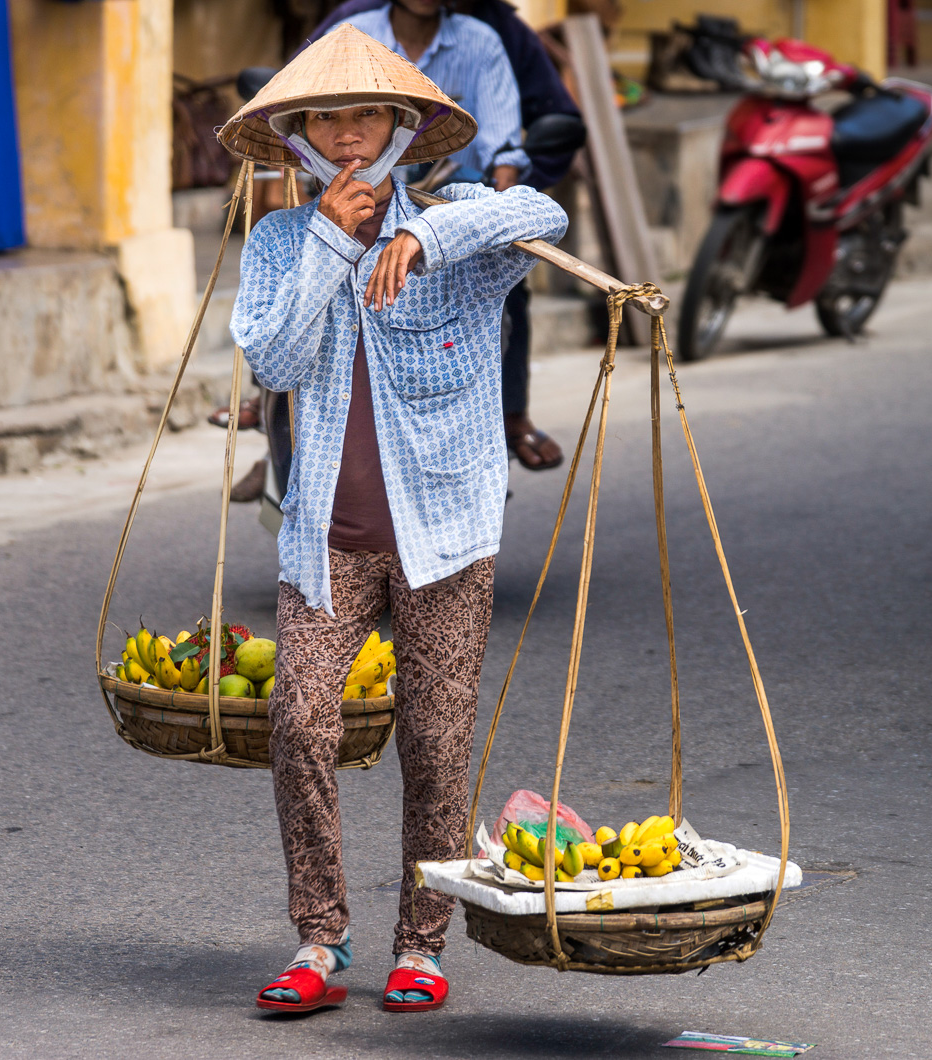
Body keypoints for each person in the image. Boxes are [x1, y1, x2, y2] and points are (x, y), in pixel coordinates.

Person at [220, 24, 567, 1014]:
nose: (345, 133)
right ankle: (319, 937)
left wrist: (420, 234)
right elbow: (275, 364)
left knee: (437, 739)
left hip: (446, 537)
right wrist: (334, 238)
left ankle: (423, 942)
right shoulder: (281, 241)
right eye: (323, 116)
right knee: (300, 718)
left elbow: (544, 211)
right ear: (296, 133)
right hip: (326, 532)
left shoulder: (459, 226)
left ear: (402, 125)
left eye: (364, 113)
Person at [306, 0, 580, 471]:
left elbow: (505, 152)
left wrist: (481, 217)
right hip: (342, 196)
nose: (349, 131)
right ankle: (270, 416)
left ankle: (511, 413)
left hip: (451, 200)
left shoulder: (483, 38)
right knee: (297, 278)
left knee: (508, 289)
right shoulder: (351, 28)